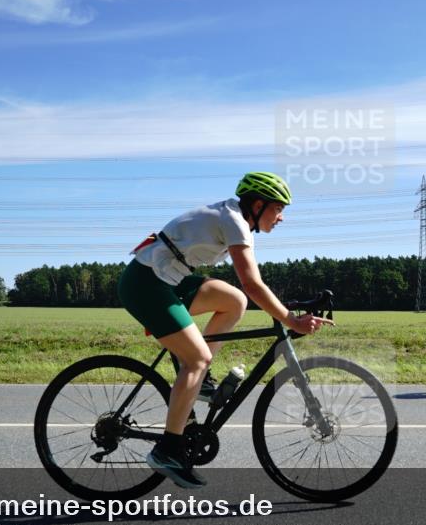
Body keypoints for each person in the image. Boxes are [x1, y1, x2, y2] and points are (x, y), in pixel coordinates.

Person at [117, 172, 333, 488]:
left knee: (234, 301)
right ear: (258, 205)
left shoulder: (235, 218)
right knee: (198, 358)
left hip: (168, 279)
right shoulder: (233, 220)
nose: (282, 217)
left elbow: (247, 288)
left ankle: (200, 380)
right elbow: (252, 281)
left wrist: (288, 314)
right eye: (278, 208)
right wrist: (290, 319)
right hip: (145, 284)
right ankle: (167, 450)